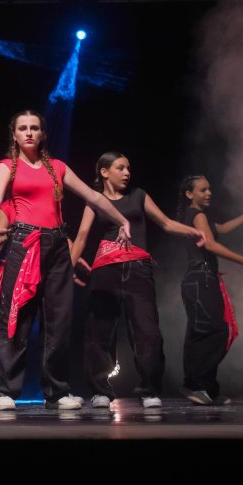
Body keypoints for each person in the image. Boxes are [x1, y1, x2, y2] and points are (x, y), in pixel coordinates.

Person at [0, 110, 130, 411]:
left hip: (56, 246)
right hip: (24, 244)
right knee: (17, 319)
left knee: (59, 321)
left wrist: (122, 220)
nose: (29, 133)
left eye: (34, 128)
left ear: (43, 134)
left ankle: (56, 392)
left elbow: (94, 197)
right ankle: (3, 390)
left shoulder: (57, 167)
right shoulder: (6, 167)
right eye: (23, 128)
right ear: (14, 134)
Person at [68, 152, 205, 409]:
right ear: (104, 172)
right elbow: (82, 236)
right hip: (105, 270)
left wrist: (192, 231)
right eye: (120, 168)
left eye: (129, 168)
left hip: (138, 270)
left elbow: (166, 223)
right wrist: (68, 269)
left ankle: (150, 389)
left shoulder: (138, 196)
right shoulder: (95, 200)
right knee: (100, 331)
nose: (127, 173)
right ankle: (100, 390)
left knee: (148, 331)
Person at [175, 175, 243, 405]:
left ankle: (207, 389)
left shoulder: (200, 216)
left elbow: (222, 228)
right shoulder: (196, 215)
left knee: (203, 332)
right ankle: (195, 385)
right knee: (216, 331)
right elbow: (209, 244)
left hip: (202, 279)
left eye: (209, 189)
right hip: (201, 279)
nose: (209, 193)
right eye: (203, 190)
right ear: (189, 194)